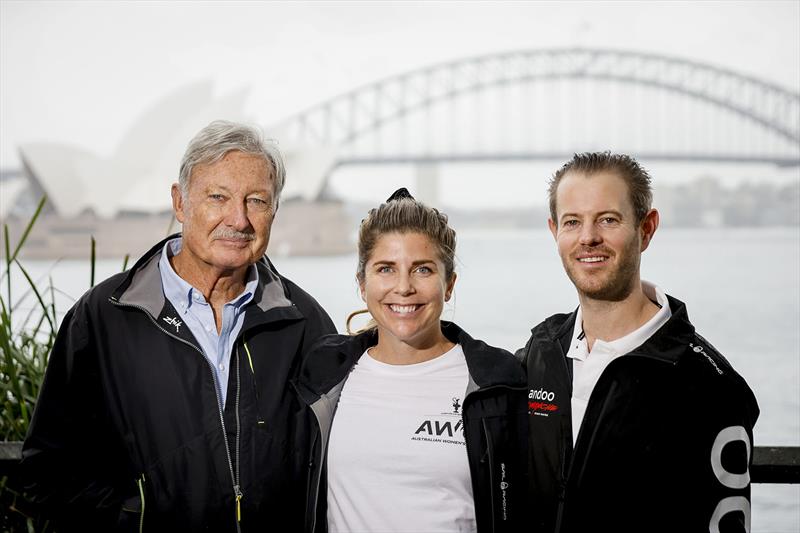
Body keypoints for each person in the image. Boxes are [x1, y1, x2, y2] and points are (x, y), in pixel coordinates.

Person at [20, 120, 335, 531]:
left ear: (274, 210)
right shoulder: (105, 317)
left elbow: (335, 461)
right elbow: (49, 469)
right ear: (180, 203)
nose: (237, 219)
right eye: (217, 197)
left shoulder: (303, 320)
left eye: (256, 201)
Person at [519, 152, 760, 533]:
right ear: (555, 232)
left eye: (608, 219)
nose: (588, 238)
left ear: (646, 229)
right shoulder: (541, 354)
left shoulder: (709, 385)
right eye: (572, 222)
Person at [292, 188, 528, 533]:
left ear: (449, 285)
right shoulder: (324, 374)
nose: (403, 287)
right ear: (362, 283)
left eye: (423, 270)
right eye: (386, 269)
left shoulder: (497, 382)